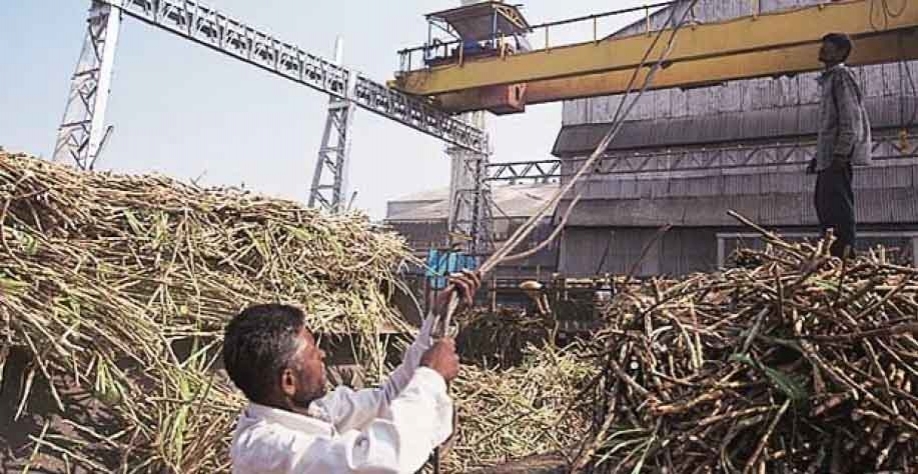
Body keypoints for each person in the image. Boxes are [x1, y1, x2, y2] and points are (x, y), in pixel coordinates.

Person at [223, 271, 481, 474]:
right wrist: (430, 377)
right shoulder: (265, 449)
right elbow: (383, 462)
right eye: (312, 352)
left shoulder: (315, 411)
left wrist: (436, 319)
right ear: (288, 381)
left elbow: (389, 397)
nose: (322, 355)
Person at [807, 32, 872, 258]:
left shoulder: (841, 76)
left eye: (828, 46)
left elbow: (850, 119)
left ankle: (844, 256)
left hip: (836, 159)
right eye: (822, 45)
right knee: (824, 205)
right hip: (828, 159)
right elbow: (830, 126)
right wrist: (819, 157)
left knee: (838, 209)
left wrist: (841, 154)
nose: (822, 49)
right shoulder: (829, 80)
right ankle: (831, 254)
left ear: (842, 52)